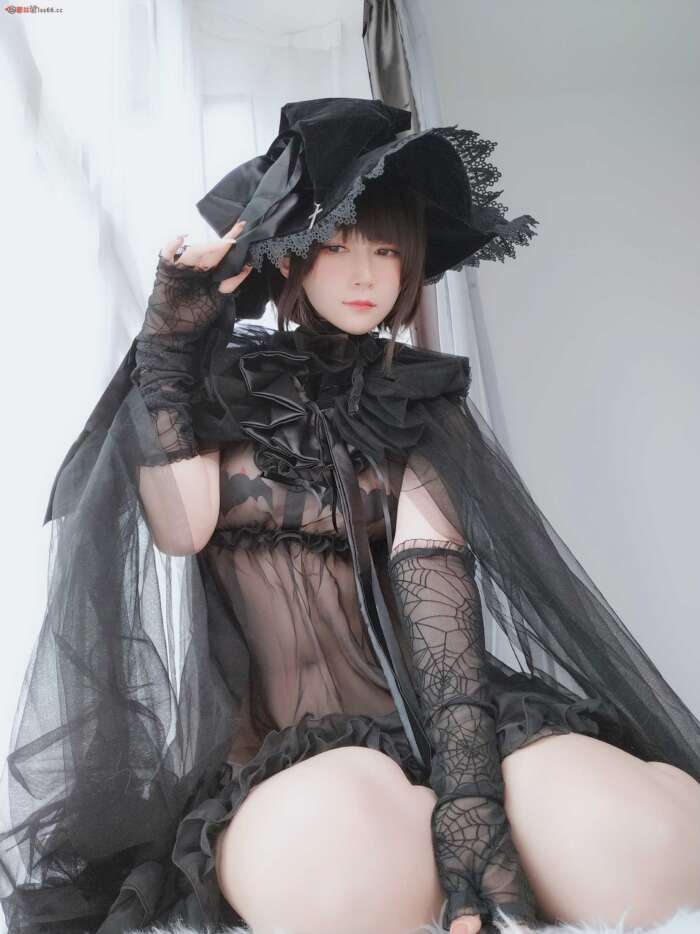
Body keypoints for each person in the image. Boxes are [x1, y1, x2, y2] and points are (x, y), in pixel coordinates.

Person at [0, 97, 699, 934]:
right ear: (293, 254)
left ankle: (476, 816)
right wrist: (169, 345)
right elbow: (182, 528)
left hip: (444, 721)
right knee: (344, 865)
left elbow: (439, 605)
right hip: (283, 746)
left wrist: (469, 798)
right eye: (337, 246)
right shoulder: (217, 390)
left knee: (636, 837)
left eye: (387, 251)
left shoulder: (415, 404)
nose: (366, 276)